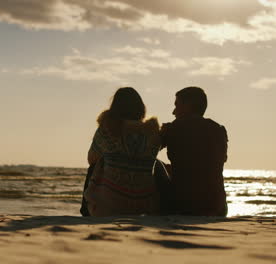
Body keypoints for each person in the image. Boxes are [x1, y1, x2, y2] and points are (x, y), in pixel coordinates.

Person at [82, 87, 162, 216]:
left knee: (94, 166)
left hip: (111, 203)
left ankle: (85, 212)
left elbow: (91, 159)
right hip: (145, 204)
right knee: (157, 163)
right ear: (141, 108)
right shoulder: (152, 132)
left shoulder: (107, 129)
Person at [161, 87, 228, 216]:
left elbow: (147, 151)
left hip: (184, 206)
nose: (173, 111)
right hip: (217, 207)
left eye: (177, 105)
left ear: (188, 106)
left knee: (157, 165)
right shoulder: (218, 130)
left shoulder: (173, 129)